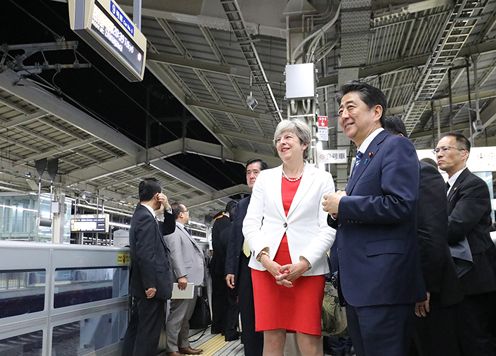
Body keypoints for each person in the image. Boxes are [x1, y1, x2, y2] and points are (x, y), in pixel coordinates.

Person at [322, 81, 424, 356]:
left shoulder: (394, 147)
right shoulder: (363, 157)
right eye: (340, 109)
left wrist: (344, 204)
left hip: (383, 284)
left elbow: (400, 204)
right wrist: (338, 212)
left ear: (376, 111)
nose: (343, 115)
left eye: (351, 106)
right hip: (361, 286)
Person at [243, 119, 336, 356]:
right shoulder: (265, 178)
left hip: (307, 269)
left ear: (304, 143)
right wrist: (265, 260)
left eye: (288, 137)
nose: (282, 142)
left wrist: (304, 263)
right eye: (278, 139)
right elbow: (251, 222)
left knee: (309, 336)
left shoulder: (322, 179)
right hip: (267, 268)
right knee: (272, 337)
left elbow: (328, 227)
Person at [385, 116, 463, 356]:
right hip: (403, 288)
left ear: (398, 139)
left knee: (433, 345)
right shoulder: (390, 177)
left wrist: (423, 287)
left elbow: (430, 235)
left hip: (428, 290)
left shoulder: (422, 173)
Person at [435, 132, 496, 356]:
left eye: (445, 149)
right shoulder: (445, 187)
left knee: (477, 338)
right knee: (459, 336)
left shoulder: (474, 185)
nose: (439, 154)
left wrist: (426, 233)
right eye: (437, 150)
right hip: (456, 276)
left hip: (475, 277)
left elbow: (455, 227)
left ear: (464, 154)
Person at [122, 178, 176, 356]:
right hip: (150, 288)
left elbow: (168, 229)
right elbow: (145, 254)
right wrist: (150, 284)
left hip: (143, 286)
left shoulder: (142, 215)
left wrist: (167, 208)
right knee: (148, 335)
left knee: (137, 328)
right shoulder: (145, 218)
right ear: (157, 196)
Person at [225, 158, 268, 355]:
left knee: (269, 316)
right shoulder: (241, 205)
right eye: (248, 172)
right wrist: (230, 269)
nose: (251, 176)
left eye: (255, 172)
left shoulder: (274, 200)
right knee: (248, 315)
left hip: (269, 266)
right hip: (245, 265)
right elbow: (234, 238)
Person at [164, 203, 205, 356]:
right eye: (187, 211)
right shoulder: (174, 229)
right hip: (183, 280)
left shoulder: (182, 230)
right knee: (178, 315)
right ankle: (172, 348)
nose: (188, 214)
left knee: (185, 316)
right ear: (181, 214)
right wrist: (181, 275)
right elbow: (175, 254)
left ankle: (183, 344)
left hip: (191, 279)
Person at [209, 200, 238, 335]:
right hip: (224, 267)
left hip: (216, 267)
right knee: (228, 299)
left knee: (217, 297)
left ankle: (216, 326)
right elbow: (228, 249)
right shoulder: (228, 225)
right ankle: (227, 328)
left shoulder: (217, 222)